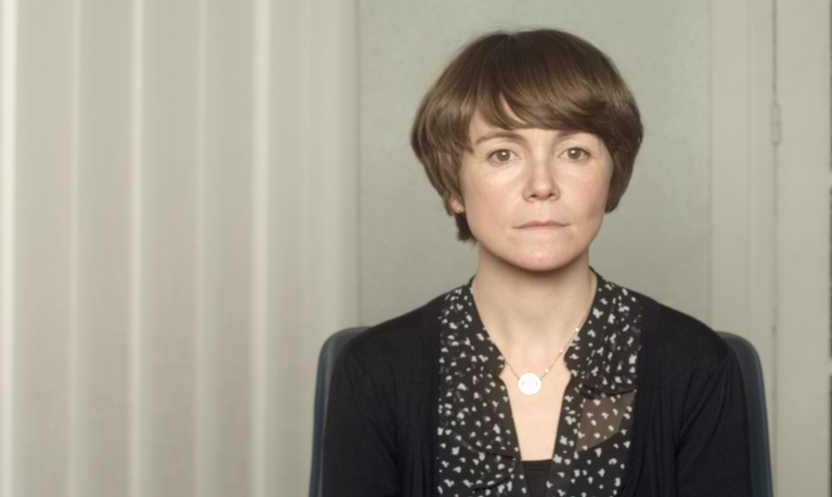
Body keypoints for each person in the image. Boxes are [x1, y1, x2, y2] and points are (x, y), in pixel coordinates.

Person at [319, 29, 751, 497]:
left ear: (612, 176)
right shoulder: (375, 374)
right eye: (502, 154)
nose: (541, 185)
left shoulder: (697, 368)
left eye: (574, 152)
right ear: (453, 186)